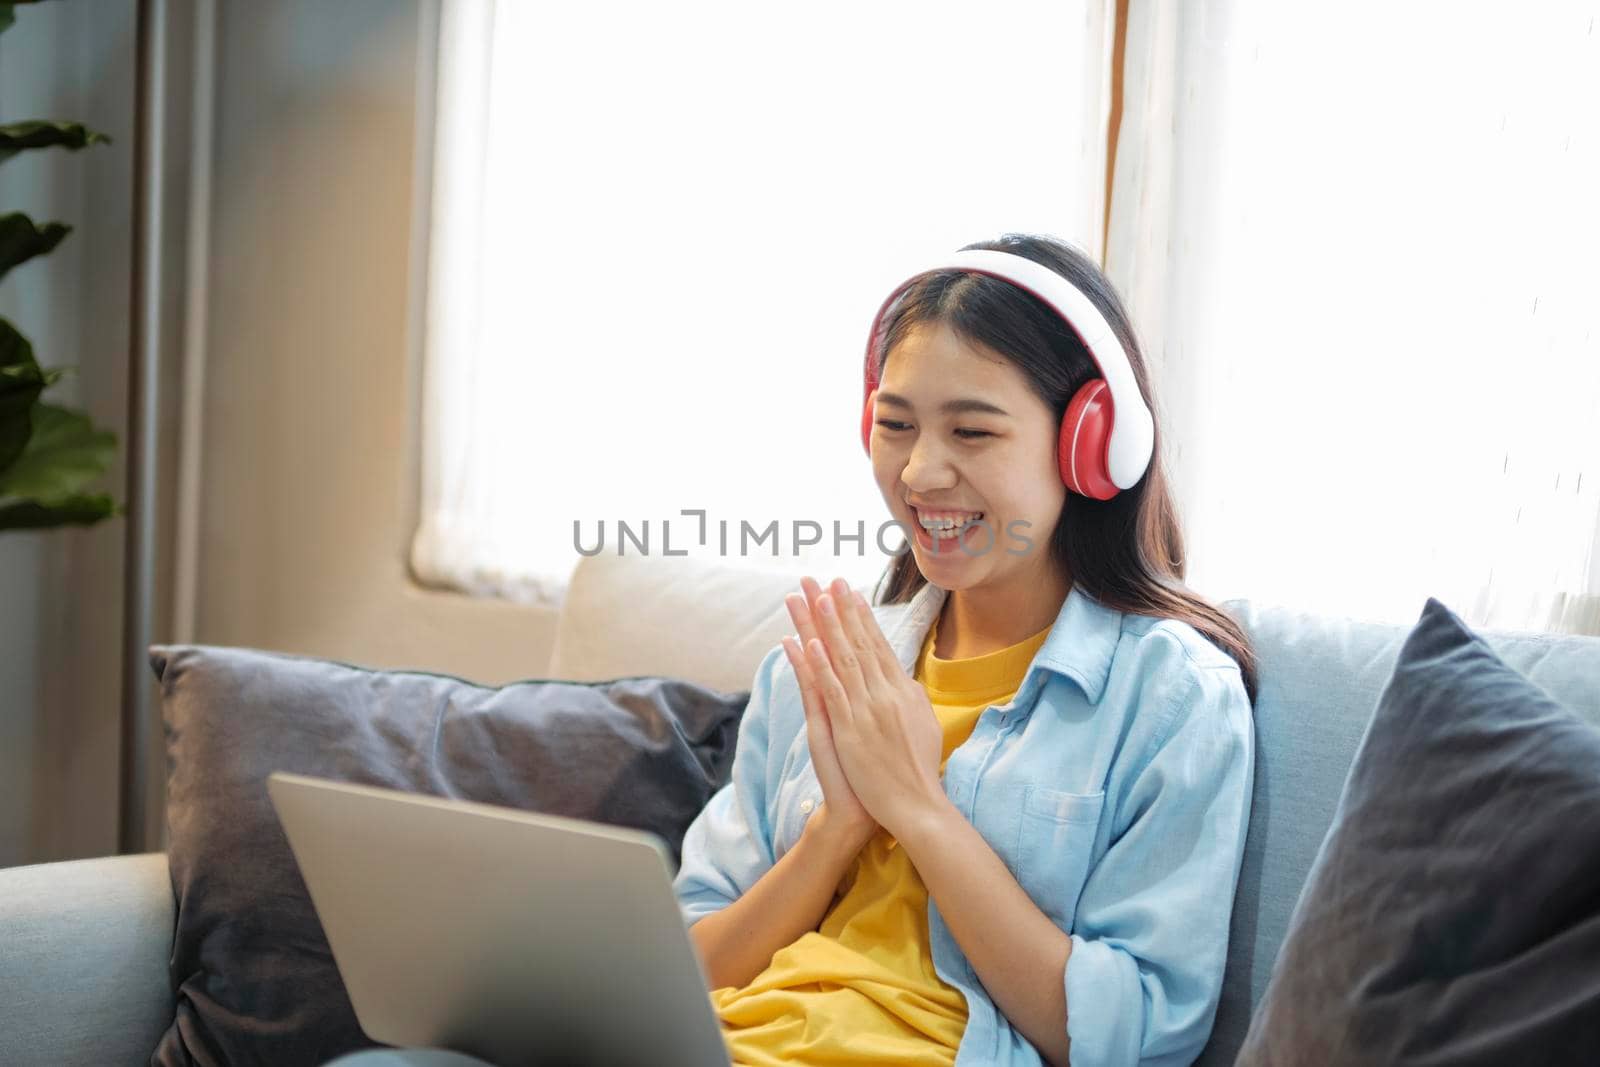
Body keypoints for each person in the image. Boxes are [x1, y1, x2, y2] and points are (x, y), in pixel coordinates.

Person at [325, 232, 1257, 1067]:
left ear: (1092, 443)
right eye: (896, 425)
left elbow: (1132, 1035)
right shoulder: (819, 665)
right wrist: (833, 831)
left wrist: (919, 810)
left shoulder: (1171, 695)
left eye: (972, 430)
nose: (922, 471)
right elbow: (688, 961)